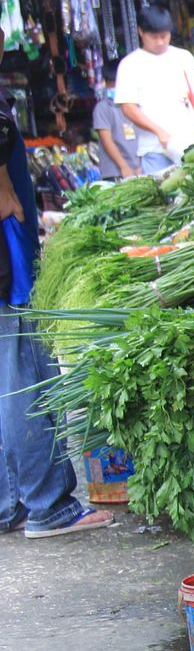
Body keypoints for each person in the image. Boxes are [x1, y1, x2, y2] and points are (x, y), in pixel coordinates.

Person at [0, 92, 113, 537]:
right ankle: (48, 505)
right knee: (23, 379)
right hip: (8, 264)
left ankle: (9, 504)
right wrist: (6, 189)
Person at [115, 6, 194, 175]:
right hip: (154, 149)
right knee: (162, 197)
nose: (160, 42)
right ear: (141, 32)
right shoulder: (130, 65)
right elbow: (128, 107)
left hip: (192, 144)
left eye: (164, 36)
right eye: (154, 37)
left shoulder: (184, 57)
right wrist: (159, 132)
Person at [91, 62, 138, 182]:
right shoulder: (103, 108)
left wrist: (139, 166)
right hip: (116, 172)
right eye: (111, 84)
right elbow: (107, 141)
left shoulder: (136, 105)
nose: (114, 87)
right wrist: (124, 166)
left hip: (139, 170)